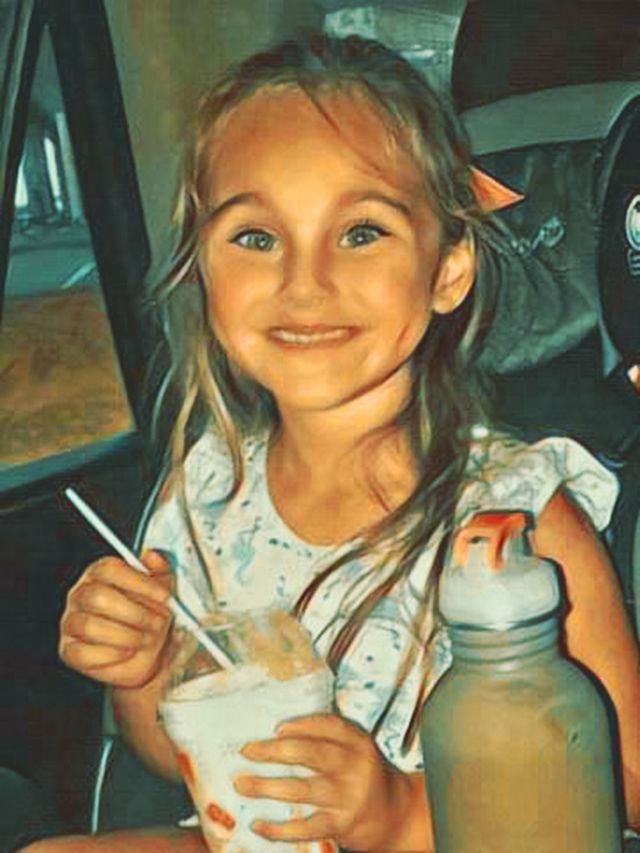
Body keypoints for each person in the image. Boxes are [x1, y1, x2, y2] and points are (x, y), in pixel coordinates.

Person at [21, 33, 639, 852]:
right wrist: (144, 670)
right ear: (201, 269)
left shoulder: (514, 522)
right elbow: (181, 760)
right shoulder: (206, 491)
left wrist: (401, 813)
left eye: (361, 233)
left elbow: (625, 788)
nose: (304, 282)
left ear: (449, 269)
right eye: (255, 237)